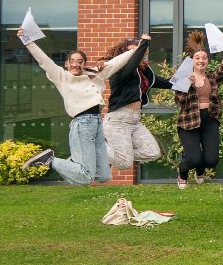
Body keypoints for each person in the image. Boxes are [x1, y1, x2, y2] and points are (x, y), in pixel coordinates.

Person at [18, 31, 141, 185]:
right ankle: (50, 160)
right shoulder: (61, 76)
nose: (75, 64)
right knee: (85, 177)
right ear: (67, 63)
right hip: (82, 124)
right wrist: (27, 40)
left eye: (80, 61)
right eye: (72, 61)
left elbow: (116, 62)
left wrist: (134, 50)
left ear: (84, 63)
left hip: (97, 123)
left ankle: (74, 163)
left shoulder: (95, 74)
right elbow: (43, 60)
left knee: (103, 176)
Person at [173, 31, 223, 188]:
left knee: (211, 160)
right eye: (197, 58)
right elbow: (179, 102)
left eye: (204, 58)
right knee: (193, 159)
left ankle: (200, 170)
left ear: (207, 60)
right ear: (192, 61)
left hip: (210, 120)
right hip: (188, 122)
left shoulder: (211, 77)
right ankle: (183, 172)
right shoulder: (184, 77)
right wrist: (187, 84)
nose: (201, 61)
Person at [102, 35, 170, 172]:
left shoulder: (144, 74)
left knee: (152, 152)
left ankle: (114, 154)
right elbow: (130, 65)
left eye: (139, 53)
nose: (138, 56)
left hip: (134, 121)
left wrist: (189, 80)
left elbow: (169, 83)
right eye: (132, 52)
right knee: (124, 164)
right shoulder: (119, 71)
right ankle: (92, 148)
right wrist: (144, 43)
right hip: (117, 121)